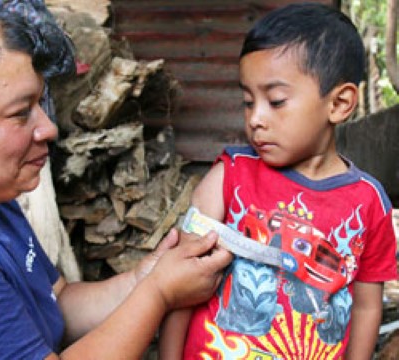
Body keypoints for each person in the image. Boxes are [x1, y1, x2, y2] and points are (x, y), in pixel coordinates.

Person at [0, 4, 233, 359]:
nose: (48, 128)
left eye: (41, 103)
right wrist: (158, 294)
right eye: (21, 112)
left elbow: (57, 303)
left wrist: (141, 280)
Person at [158, 3, 398, 360]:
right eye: (247, 101)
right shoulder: (230, 175)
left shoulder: (368, 203)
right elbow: (178, 284)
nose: (255, 118)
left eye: (276, 101)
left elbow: (365, 308)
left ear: (340, 103)